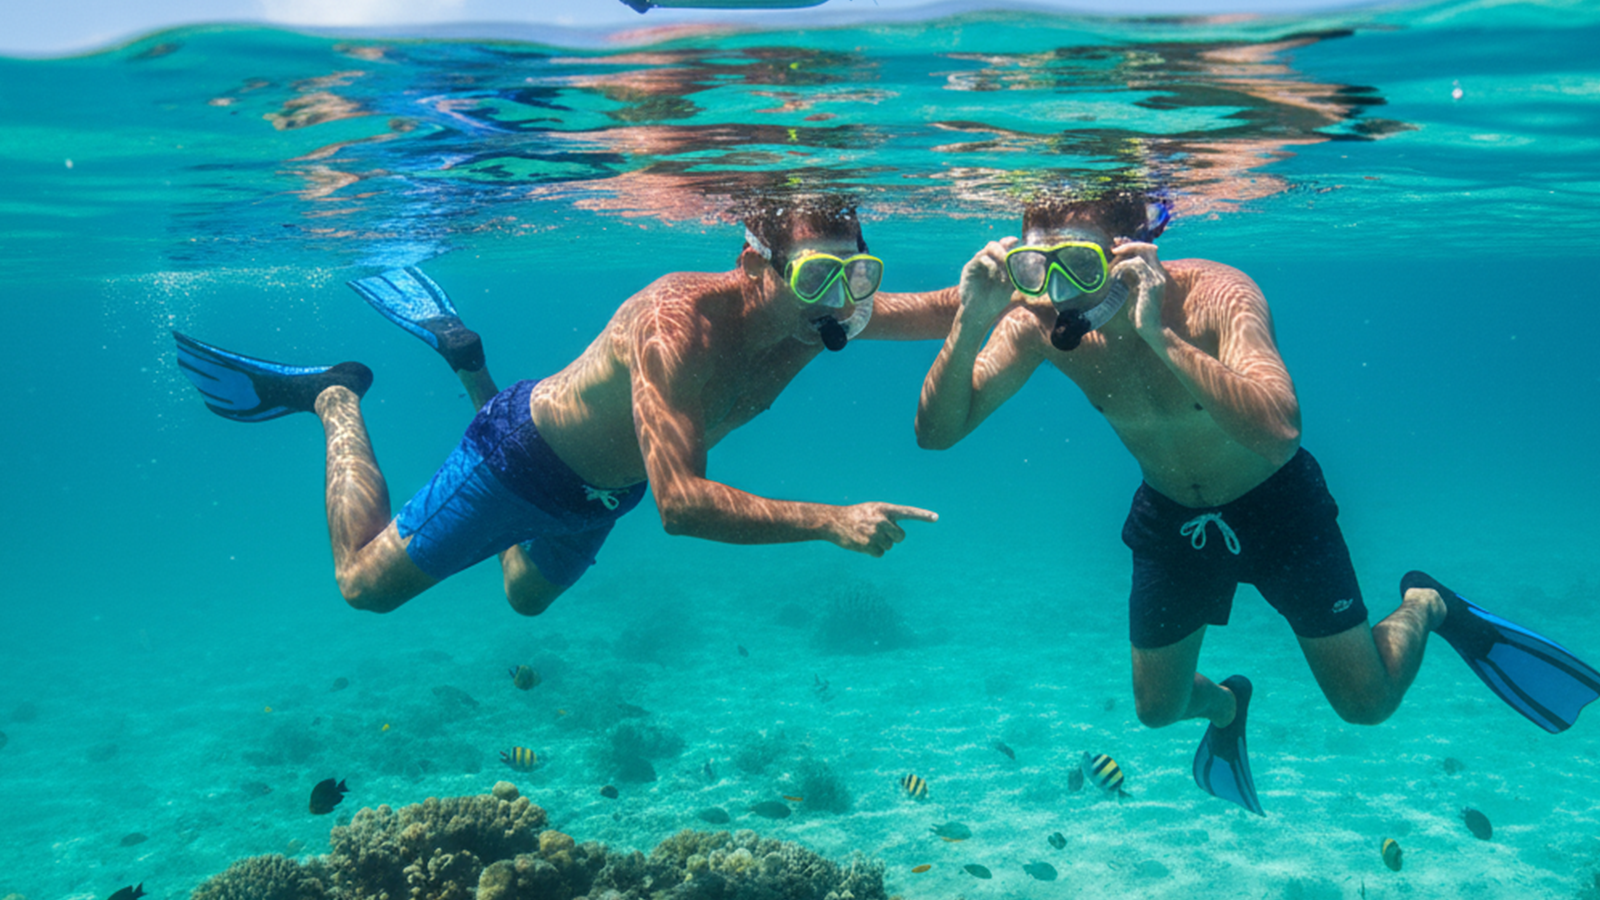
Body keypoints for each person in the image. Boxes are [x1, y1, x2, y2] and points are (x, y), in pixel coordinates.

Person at [914, 191, 1600, 815]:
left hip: (1279, 507)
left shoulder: (1216, 295)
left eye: (1080, 264)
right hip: (1171, 518)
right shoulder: (1037, 323)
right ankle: (1226, 704)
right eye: (1039, 268)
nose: (1060, 291)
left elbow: (1279, 432)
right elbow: (936, 435)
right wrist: (971, 323)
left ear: (1129, 254)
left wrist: (1159, 331)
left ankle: (1425, 604)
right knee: (1157, 710)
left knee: (1366, 703)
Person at [174, 196, 954, 617]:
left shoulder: (819, 318)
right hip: (517, 461)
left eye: (858, 278)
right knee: (364, 590)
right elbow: (681, 506)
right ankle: (335, 397)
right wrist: (829, 521)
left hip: (600, 496)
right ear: (755, 264)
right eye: (819, 277)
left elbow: (941, 310)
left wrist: (1003, 290)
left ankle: (467, 361)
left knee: (523, 602)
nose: (841, 302)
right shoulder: (672, 325)